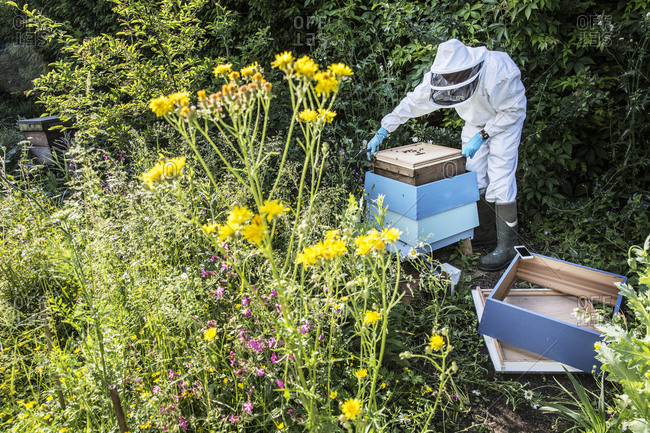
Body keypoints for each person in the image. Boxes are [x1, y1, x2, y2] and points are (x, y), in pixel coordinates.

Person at [367, 39, 526, 271]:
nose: (450, 82)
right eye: (447, 79)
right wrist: (383, 130)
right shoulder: (440, 77)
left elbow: (513, 109)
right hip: (474, 123)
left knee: (500, 179)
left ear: (466, 70)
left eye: (454, 78)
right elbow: (412, 103)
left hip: (504, 121)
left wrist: (483, 136)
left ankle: (508, 247)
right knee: (475, 177)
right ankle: (484, 233)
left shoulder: (498, 72)